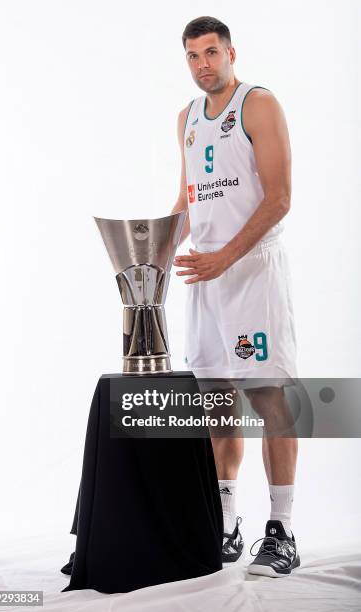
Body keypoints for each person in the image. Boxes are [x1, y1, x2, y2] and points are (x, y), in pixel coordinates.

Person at [170, 16, 300, 577]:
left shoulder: (259, 103)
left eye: (212, 52)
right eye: (194, 56)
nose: (204, 64)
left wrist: (226, 256)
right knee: (216, 401)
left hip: (251, 273)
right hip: (206, 277)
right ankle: (226, 523)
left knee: (270, 400)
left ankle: (283, 529)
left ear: (231, 53)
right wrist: (146, 258)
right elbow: (186, 198)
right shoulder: (186, 117)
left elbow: (280, 198)